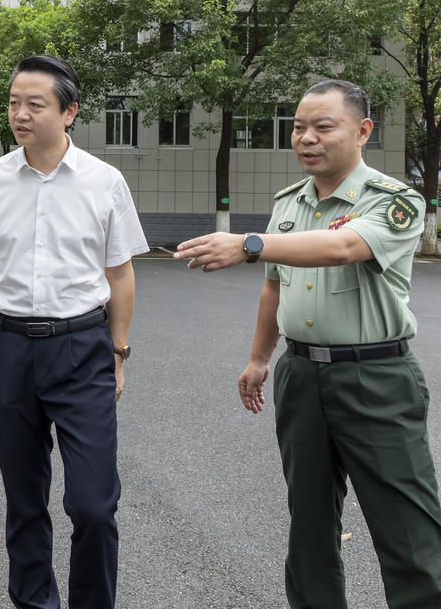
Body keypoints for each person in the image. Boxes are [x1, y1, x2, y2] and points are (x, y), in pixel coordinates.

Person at [174, 79, 441, 609]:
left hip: (376, 376)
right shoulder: (289, 204)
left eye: (323, 127)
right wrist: (258, 359)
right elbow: (275, 285)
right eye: (299, 128)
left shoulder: (397, 201)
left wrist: (249, 242)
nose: (306, 139)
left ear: (362, 131)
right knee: (310, 524)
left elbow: (344, 247)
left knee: (408, 528)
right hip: (300, 375)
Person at [0, 55, 148, 609]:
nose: (20, 113)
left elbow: (120, 273)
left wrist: (119, 351)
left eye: (35, 104)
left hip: (83, 348)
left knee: (92, 503)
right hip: (6, 348)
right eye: (14, 102)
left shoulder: (104, 182)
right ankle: (35, 601)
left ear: (69, 112)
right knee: (25, 495)